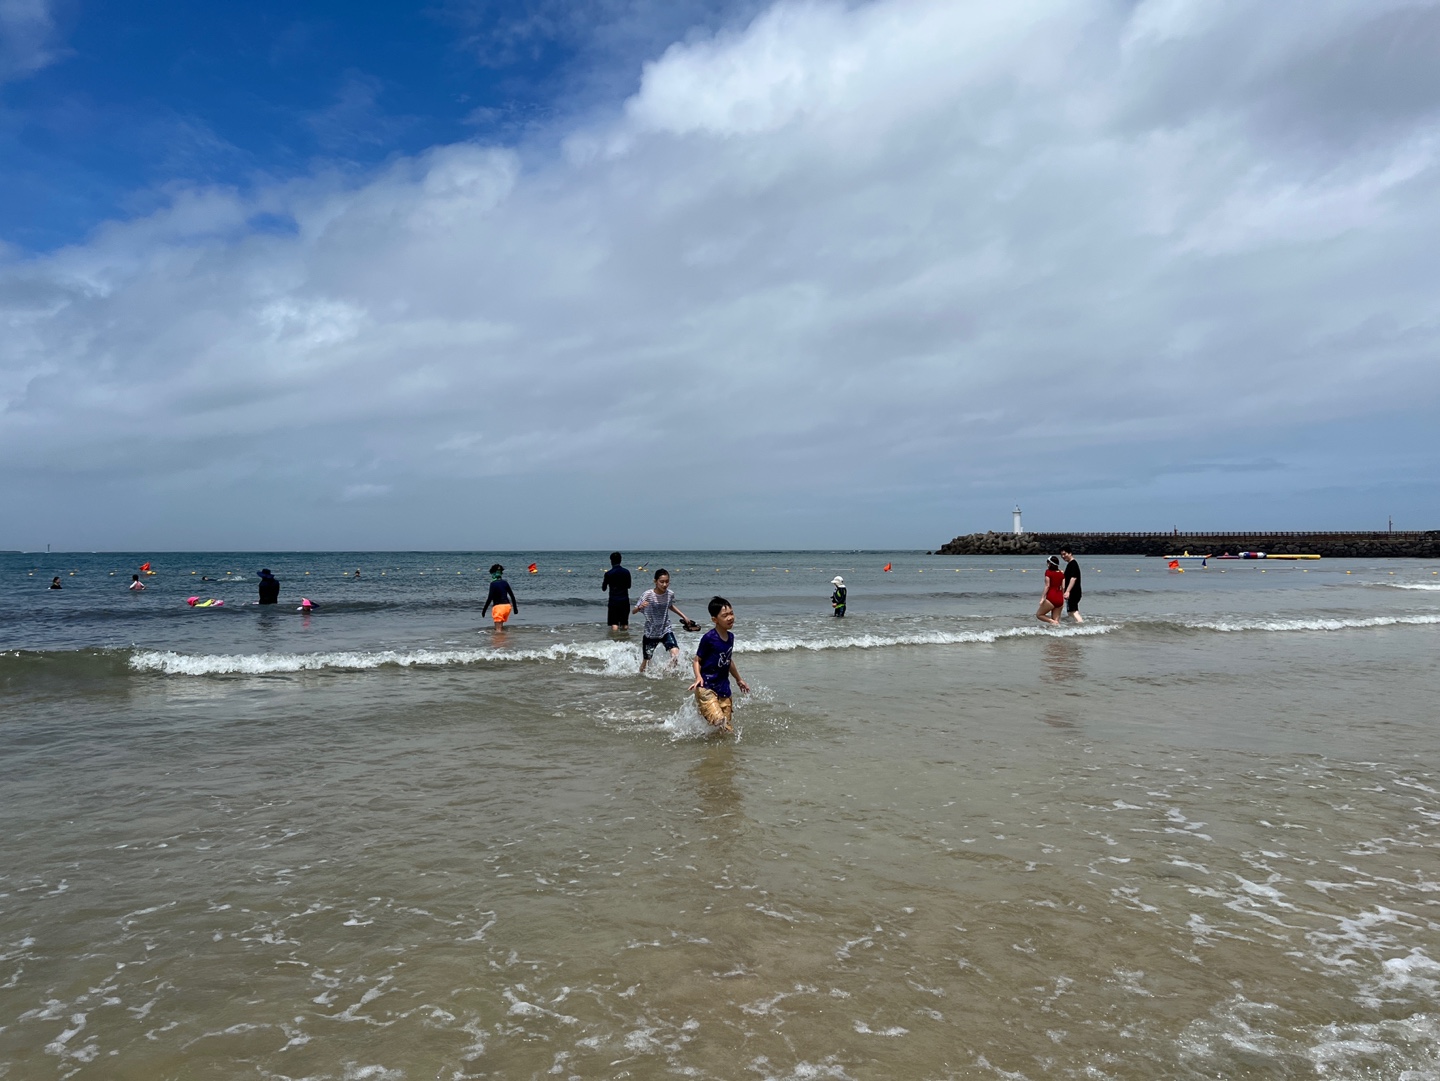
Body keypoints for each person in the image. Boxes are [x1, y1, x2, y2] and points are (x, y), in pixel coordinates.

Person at [689, 595, 750, 733]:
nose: (730, 618)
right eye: (725, 615)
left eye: (731, 613)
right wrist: (698, 677)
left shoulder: (731, 637)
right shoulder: (709, 638)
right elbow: (697, 660)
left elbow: (728, 660)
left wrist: (739, 679)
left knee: (724, 731)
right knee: (720, 722)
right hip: (706, 687)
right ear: (715, 620)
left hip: (723, 689)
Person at [634, 569, 695, 674]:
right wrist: (640, 607)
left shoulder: (670, 594)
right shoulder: (647, 594)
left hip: (665, 629)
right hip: (651, 633)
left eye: (667, 581)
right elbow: (633, 611)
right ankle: (640, 677)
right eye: (661, 582)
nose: (664, 584)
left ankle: (664, 673)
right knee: (646, 660)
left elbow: (670, 605)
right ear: (655, 581)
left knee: (676, 655)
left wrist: (684, 616)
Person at [602, 552, 632, 631]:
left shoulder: (608, 574)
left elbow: (604, 588)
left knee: (614, 624)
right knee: (624, 623)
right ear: (620, 560)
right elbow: (629, 586)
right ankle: (625, 638)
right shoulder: (626, 572)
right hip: (624, 600)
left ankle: (615, 638)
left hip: (613, 601)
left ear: (611, 561)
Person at [1036, 555, 1063, 625]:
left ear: (1049, 563)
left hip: (1051, 597)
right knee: (1056, 622)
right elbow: (1063, 587)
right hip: (1060, 598)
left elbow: (1047, 586)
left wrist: (1042, 598)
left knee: (1039, 614)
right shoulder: (1061, 573)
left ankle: (1052, 621)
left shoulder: (1048, 572)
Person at [1060, 548, 1084, 624]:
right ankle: (1076, 625)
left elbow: (1073, 578)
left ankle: (1081, 625)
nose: (1063, 556)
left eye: (1064, 554)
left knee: (1073, 611)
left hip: (1073, 592)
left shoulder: (1073, 564)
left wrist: (1067, 591)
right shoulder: (1070, 564)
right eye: (1061, 555)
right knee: (1071, 612)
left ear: (1070, 553)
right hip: (1073, 592)